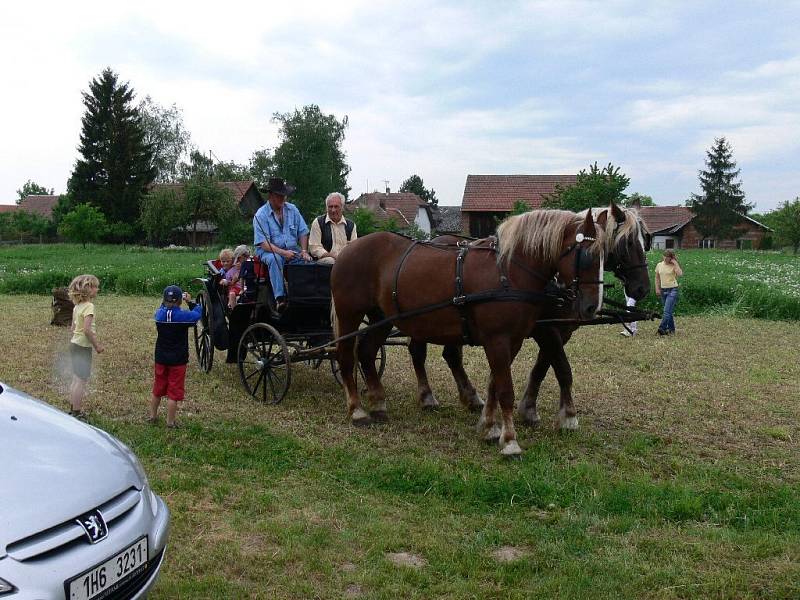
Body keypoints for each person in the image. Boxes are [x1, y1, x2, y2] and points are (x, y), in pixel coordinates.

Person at [253, 177, 311, 308]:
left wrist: (304, 251)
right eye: (279, 196)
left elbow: (303, 231)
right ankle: (280, 299)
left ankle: (304, 296)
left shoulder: (293, 209)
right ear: (271, 196)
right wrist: (283, 253)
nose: (283, 199)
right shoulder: (260, 215)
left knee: (308, 262)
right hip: (268, 251)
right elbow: (263, 243)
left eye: (284, 196)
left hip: (292, 250)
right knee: (275, 259)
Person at [149, 285, 202, 428]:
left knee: (158, 388)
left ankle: (152, 416)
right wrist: (191, 302)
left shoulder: (159, 315)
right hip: (178, 360)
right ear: (180, 300)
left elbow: (162, 308)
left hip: (161, 357)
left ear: (164, 300)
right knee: (174, 391)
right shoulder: (184, 317)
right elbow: (198, 313)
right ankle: (170, 422)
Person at [67, 274, 104, 420]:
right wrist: (97, 346)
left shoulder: (77, 307)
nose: (97, 289)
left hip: (74, 344)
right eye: (95, 286)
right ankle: (77, 412)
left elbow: (73, 328)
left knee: (76, 378)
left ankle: (72, 407)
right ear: (87, 289)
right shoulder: (89, 306)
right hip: (83, 347)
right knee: (81, 380)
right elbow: (87, 330)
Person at [308, 192, 358, 265]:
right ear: (326, 208)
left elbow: (355, 248)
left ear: (342, 207)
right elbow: (315, 248)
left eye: (336, 206)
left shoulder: (351, 225)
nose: (333, 210)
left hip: (346, 261)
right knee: (331, 261)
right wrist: (334, 256)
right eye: (330, 207)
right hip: (325, 262)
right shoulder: (318, 222)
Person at [655, 249, 683, 335]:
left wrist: (675, 263)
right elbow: (657, 278)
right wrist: (657, 288)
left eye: (668, 257)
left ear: (671, 258)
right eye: (664, 256)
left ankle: (662, 328)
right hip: (663, 290)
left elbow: (680, 274)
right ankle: (671, 330)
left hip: (672, 290)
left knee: (666, 311)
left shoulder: (673, 265)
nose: (665, 258)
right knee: (669, 311)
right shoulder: (659, 265)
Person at [220, 244, 250, 309]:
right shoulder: (229, 271)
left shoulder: (238, 267)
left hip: (244, 286)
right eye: (223, 261)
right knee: (232, 293)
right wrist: (226, 281)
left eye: (228, 261)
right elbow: (229, 281)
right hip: (234, 287)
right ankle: (234, 309)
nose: (225, 263)